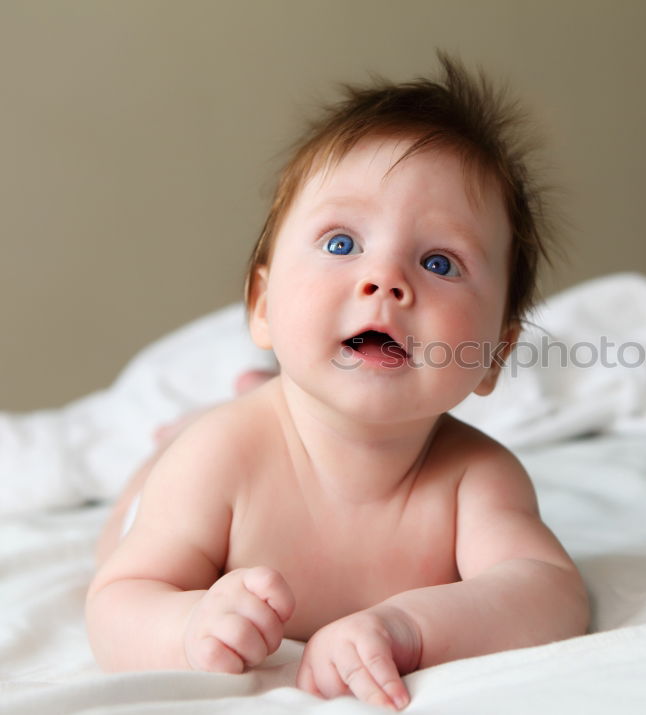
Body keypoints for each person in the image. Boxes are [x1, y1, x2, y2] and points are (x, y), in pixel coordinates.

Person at [85, 53, 589, 710]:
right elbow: (117, 598)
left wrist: (406, 627)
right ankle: (193, 424)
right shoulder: (220, 459)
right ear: (263, 306)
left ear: (494, 353)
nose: (385, 280)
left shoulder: (476, 478)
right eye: (343, 243)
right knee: (165, 473)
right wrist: (188, 625)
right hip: (188, 465)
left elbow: (548, 591)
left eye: (439, 260)